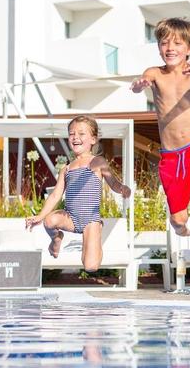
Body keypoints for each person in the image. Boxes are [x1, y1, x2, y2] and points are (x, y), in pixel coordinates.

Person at [130, 18, 190, 236]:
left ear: (189, 49)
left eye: (177, 44)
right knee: (178, 219)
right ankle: (180, 227)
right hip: (172, 158)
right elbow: (144, 80)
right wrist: (140, 84)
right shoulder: (155, 73)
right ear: (158, 48)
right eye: (164, 43)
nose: (170, 48)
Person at [25, 116, 131, 272]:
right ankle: (57, 238)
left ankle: (95, 235)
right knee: (49, 221)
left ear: (93, 139)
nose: (75, 137)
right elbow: (55, 195)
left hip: (91, 220)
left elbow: (112, 182)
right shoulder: (66, 169)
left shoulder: (98, 162)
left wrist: (122, 188)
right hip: (71, 218)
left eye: (81, 134)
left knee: (90, 266)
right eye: (71, 134)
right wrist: (39, 217)